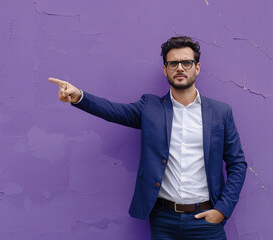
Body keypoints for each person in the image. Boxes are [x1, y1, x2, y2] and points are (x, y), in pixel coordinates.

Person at [49, 36, 247, 240]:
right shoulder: (149, 107)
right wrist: (79, 96)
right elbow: (113, 111)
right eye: (173, 63)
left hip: (206, 221)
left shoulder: (220, 112)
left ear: (196, 68)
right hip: (164, 220)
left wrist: (223, 209)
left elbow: (238, 164)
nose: (180, 68)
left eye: (186, 62)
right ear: (165, 70)